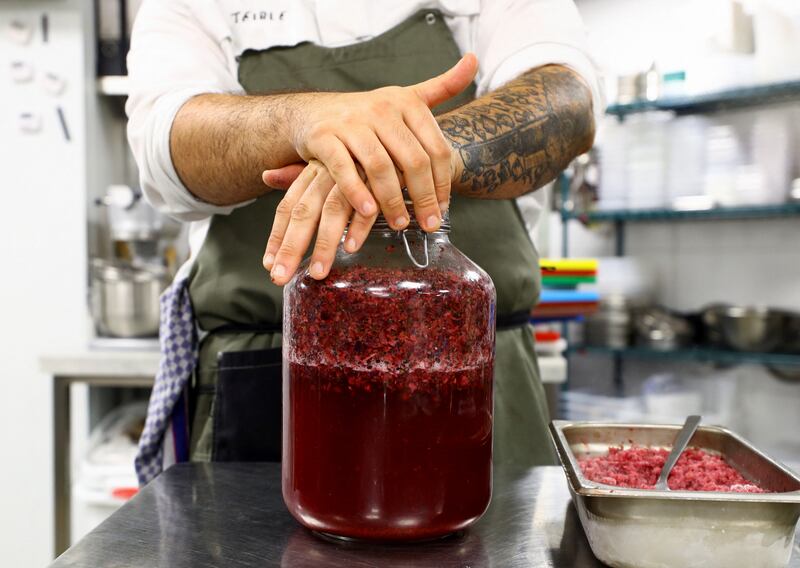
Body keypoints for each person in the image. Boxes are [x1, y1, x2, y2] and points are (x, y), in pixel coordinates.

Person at [127, 0, 602, 485]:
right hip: (263, 378)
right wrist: (302, 122)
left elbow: (566, 99)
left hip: (479, 372)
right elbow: (167, 146)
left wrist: (404, 151)